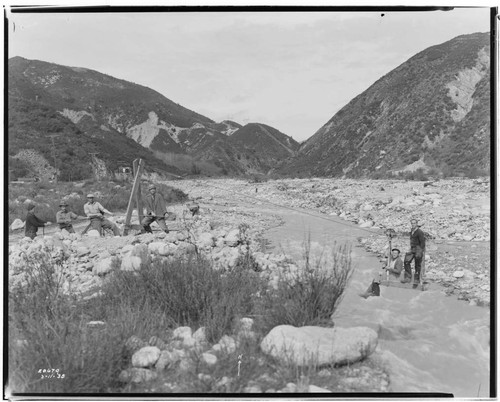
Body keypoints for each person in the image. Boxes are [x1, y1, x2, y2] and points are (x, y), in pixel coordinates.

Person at [401, 219, 426, 284]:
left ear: (417, 224)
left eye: (414, 223)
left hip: (418, 249)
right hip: (412, 249)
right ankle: (408, 277)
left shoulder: (419, 232)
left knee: (417, 265)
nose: (413, 224)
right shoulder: (412, 231)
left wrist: (420, 251)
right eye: (412, 223)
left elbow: (422, 243)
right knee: (406, 261)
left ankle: (417, 279)